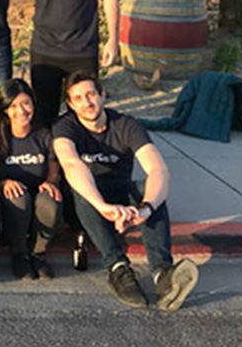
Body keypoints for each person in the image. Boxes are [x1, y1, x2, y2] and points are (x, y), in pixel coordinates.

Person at [53, 71, 199, 311]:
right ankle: (118, 268)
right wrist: (103, 206)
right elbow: (71, 164)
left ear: (102, 95)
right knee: (82, 192)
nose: (87, 103)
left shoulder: (126, 124)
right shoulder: (65, 127)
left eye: (91, 94)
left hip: (121, 196)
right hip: (87, 204)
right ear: (70, 104)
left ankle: (163, 275)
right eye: (78, 98)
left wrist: (146, 209)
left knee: (154, 192)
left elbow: (158, 169)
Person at [0, 79, 62, 280]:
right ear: (5, 110)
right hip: (11, 202)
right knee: (17, 197)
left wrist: (51, 182)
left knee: (49, 199)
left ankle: (38, 254)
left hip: (38, 199)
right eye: (14, 106)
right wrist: (2, 184)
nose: (22, 111)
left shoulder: (43, 135)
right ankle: (19, 254)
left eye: (26, 103)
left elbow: (54, 166)